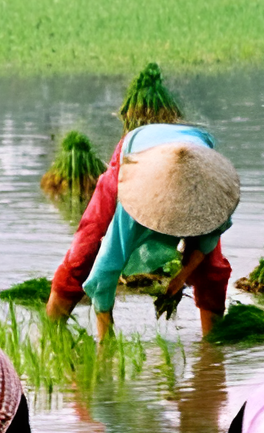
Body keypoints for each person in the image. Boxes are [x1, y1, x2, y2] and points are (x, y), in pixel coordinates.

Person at [43, 124, 239, 340]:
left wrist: (181, 277)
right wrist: (106, 335)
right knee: (85, 251)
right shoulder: (136, 199)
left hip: (196, 157)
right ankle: (50, 331)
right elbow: (106, 268)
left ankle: (212, 345)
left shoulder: (211, 195)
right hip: (135, 158)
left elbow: (207, 241)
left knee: (211, 271)